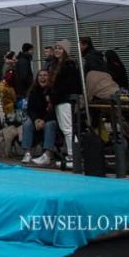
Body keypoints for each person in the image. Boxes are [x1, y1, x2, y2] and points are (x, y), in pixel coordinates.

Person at [50, 39, 81, 169]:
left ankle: (73, 155)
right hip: (61, 100)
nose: (57, 50)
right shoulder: (59, 64)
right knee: (66, 128)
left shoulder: (67, 65)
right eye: (56, 47)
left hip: (64, 100)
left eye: (60, 48)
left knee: (68, 129)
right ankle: (72, 154)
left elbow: (67, 85)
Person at [21, 70, 58, 166]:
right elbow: (30, 109)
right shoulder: (33, 91)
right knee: (27, 124)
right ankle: (27, 152)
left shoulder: (53, 91)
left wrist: (43, 120)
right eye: (40, 75)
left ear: (49, 77)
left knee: (50, 125)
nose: (42, 77)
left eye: (45, 75)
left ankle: (47, 155)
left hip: (49, 118)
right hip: (36, 118)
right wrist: (36, 120)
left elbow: (53, 110)